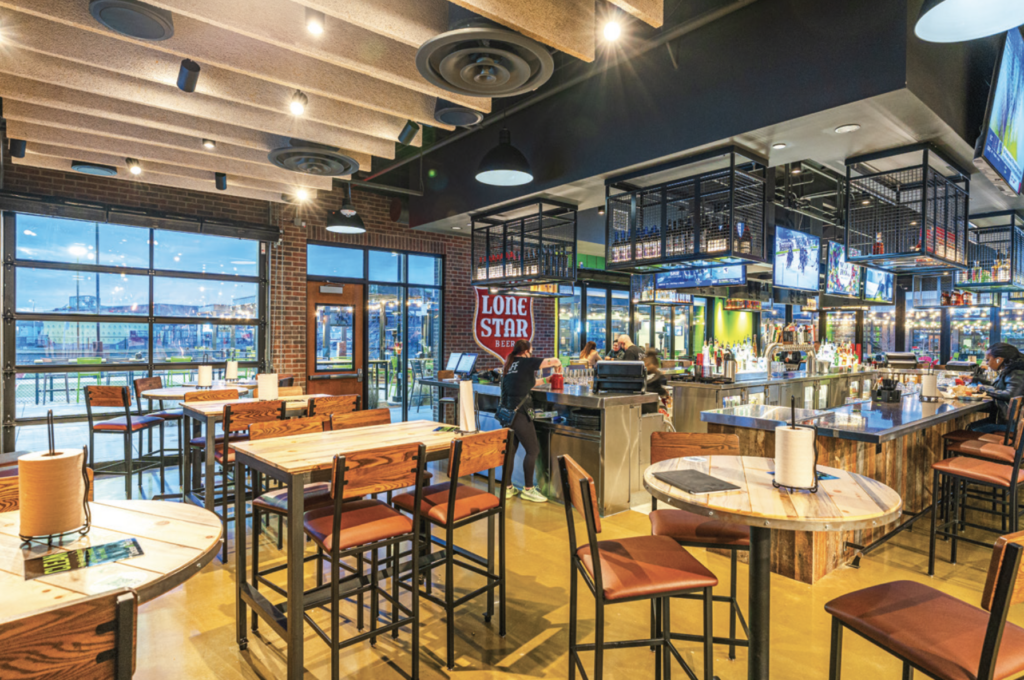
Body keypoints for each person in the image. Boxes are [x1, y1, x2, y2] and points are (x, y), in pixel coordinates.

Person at [500, 340, 561, 503]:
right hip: (520, 412)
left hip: (507, 413)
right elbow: (553, 361)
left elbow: (528, 384)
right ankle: (528, 489)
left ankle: (506, 488)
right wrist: (559, 363)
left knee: (510, 451)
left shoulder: (510, 364)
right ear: (526, 351)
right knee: (533, 450)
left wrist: (547, 380)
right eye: (531, 352)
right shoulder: (526, 361)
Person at [969, 343, 1024, 434]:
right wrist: (976, 380)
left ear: (999, 360)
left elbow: (1011, 395)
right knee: (972, 426)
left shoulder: (1017, 371)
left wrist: (984, 389)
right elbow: (999, 386)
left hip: (1011, 425)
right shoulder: (1011, 369)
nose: (986, 363)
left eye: (988, 360)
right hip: (1008, 421)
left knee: (973, 429)